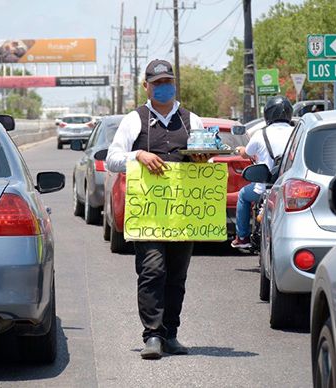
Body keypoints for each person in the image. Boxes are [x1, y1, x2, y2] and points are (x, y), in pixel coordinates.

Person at [106, 59, 206, 360]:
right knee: (152, 270)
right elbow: (112, 159)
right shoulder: (134, 120)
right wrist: (138, 156)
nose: (164, 88)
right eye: (158, 83)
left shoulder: (192, 121)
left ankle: (170, 335)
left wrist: (203, 160)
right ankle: (152, 335)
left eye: (168, 82)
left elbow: (207, 160)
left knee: (177, 275)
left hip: (183, 214)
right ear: (146, 86)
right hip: (147, 213)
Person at [231, 95, 295, 249]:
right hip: (290, 188)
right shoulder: (296, 132)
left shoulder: (261, 134)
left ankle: (242, 237)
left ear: (268, 113)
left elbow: (246, 153)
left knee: (243, 195)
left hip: (264, 188)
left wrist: (240, 150)